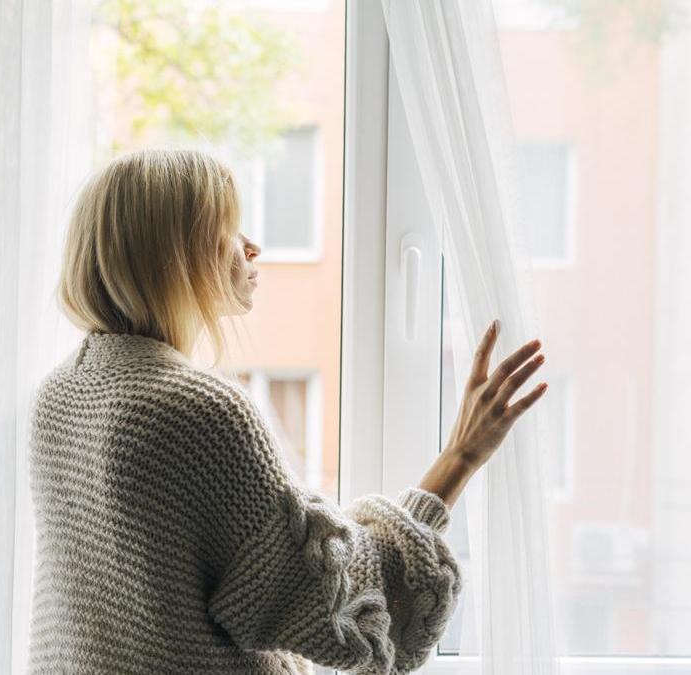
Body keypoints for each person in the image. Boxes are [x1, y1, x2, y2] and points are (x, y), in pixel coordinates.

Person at [27, 148, 548, 674]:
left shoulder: (59, 396)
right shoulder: (196, 412)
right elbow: (344, 602)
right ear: (176, 255)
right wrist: (460, 457)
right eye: (230, 230)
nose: (253, 247)